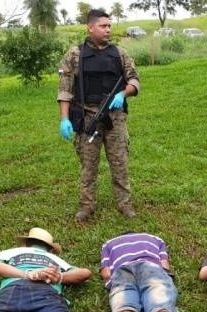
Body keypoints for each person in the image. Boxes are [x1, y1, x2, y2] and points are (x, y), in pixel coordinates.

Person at [57, 9, 140, 222]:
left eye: (109, 26)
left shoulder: (120, 53)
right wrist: (64, 119)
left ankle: (124, 204)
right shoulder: (75, 54)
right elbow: (64, 89)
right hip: (87, 117)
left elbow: (134, 80)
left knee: (119, 162)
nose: (108, 29)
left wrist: (123, 93)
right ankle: (86, 206)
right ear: (90, 27)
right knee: (88, 165)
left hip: (115, 117)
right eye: (103, 26)